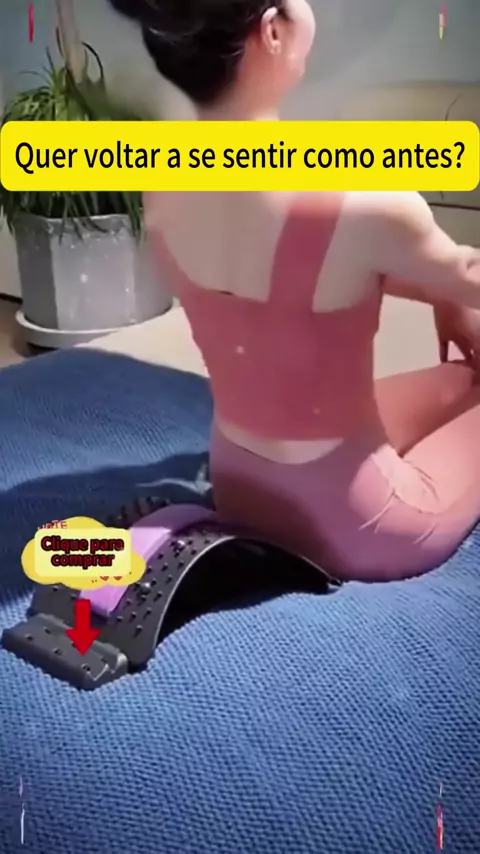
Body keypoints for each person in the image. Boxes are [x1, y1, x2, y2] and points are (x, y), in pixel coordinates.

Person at [108, 0, 480, 581]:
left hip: (239, 482)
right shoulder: (366, 198)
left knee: (463, 381)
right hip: (360, 522)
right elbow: (459, 272)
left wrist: (443, 295)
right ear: (274, 31)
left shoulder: (158, 184)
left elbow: (301, 283)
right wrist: (449, 287)